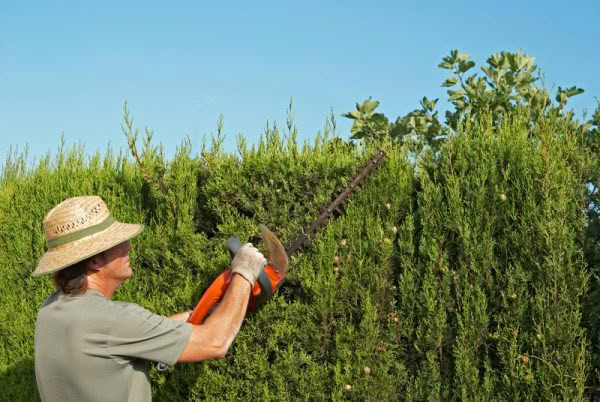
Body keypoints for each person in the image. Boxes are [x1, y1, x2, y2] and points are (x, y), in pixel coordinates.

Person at [33, 195, 266, 402]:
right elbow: (215, 343)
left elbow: (130, 332)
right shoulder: (114, 319)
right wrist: (244, 272)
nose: (128, 247)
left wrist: (207, 312)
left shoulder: (49, 311)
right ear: (94, 262)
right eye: (117, 243)